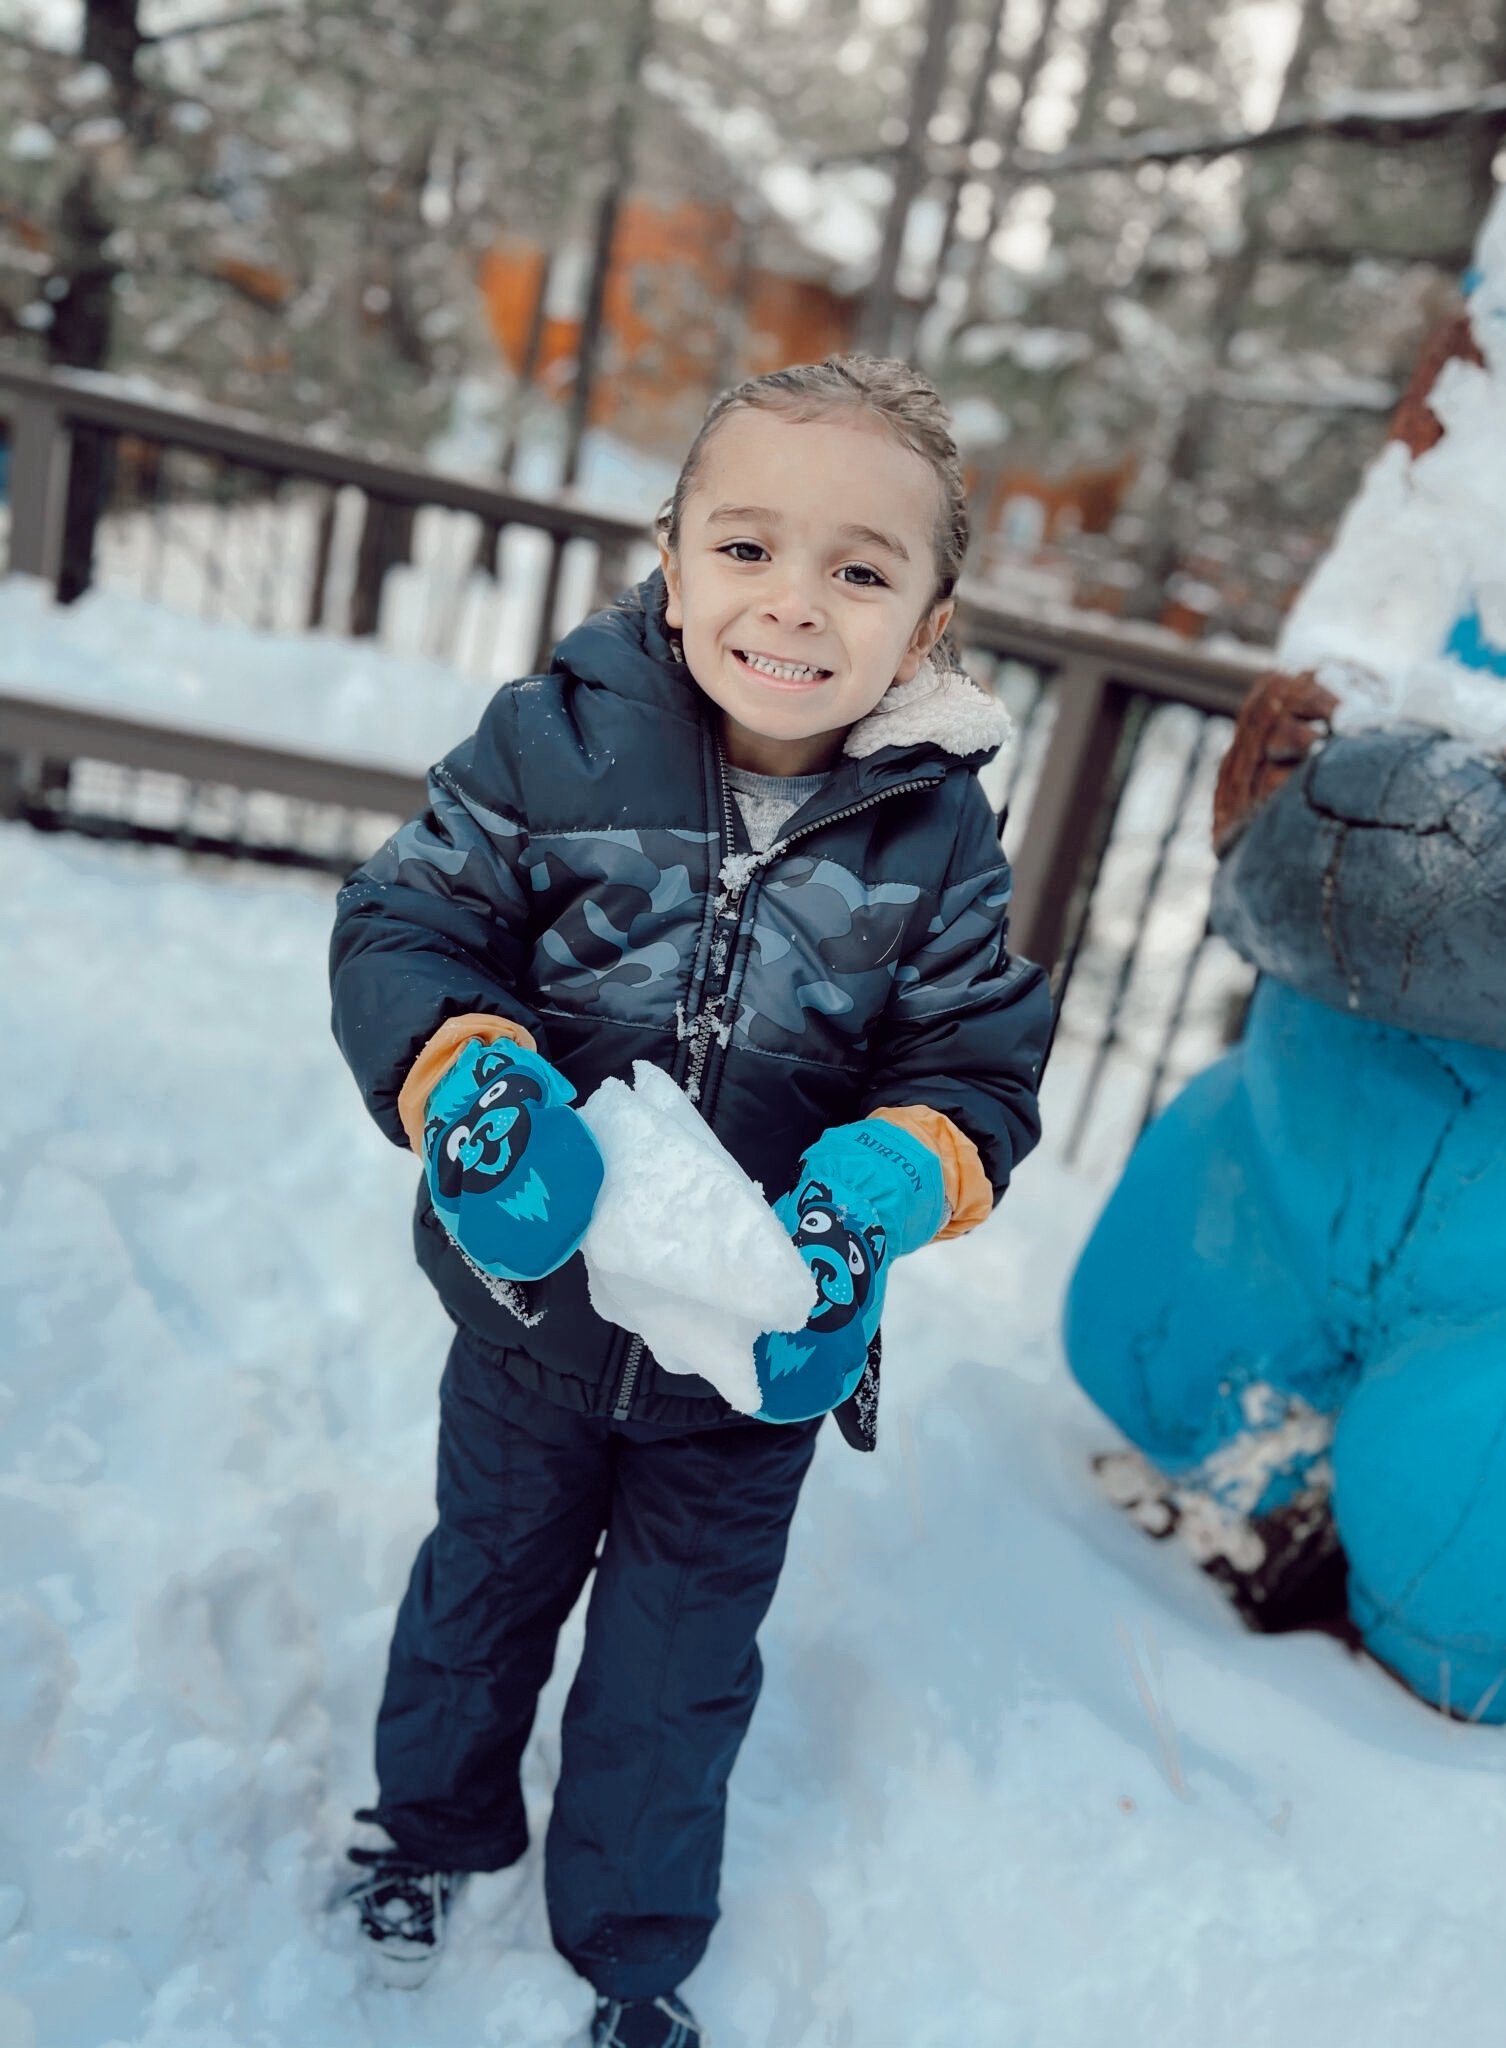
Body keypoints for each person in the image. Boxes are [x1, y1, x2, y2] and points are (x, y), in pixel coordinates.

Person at [328, 353, 1052, 2047]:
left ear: (930, 620)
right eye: (747, 547)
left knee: (678, 1662)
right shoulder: (550, 741)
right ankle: (428, 1830)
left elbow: (976, 1066)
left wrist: (898, 1172)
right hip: (531, 1312)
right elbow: (405, 926)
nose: (793, 603)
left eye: (861, 570)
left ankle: (634, 1947)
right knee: (485, 1583)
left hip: (753, 1362)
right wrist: (465, 1071)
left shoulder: (936, 841)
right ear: (672, 556)